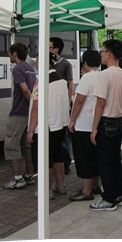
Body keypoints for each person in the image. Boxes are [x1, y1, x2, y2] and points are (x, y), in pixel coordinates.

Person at [89, 39, 122, 211]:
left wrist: (94, 128)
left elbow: (101, 103)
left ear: (110, 54)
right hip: (119, 120)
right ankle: (117, 194)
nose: (101, 54)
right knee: (115, 160)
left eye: (103, 51)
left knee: (104, 162)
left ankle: (108, 198)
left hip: (106, 122)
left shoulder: (105, 75)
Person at [27, 52, 70, 200]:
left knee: (45, 158)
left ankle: (47, 190)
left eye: (37, 60)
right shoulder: (61, 80)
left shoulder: (41, 82)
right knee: (57, 155)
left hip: (46, 126)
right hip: (61, 124)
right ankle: (60, 185)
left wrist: (30, 130)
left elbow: (36, 108)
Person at [68, 50, 103, 201]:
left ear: (85, 63)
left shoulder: (87, 78)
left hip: (84, 124)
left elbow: (79, 100)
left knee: (84, 157)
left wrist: (72, 119)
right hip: (98, 123)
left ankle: (86, 191)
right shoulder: (103, 76)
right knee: (96, 157)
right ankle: (95, 185)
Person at [3, 43, 37, 190]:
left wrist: (31, 105)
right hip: (28, 114)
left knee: (11, 145)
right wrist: (32, 109)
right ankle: (29, 175)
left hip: (18, 112)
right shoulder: (30, 69)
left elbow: (24, 90)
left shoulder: (17, 69)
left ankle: (17, 178)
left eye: (10, 53)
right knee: (27, 146)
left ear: (15, 54)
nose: (9, 56)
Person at [50, 37, 73, 174]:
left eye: (49, 47)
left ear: (56, 49)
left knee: (63, 134)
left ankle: (66, 163)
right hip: (52, 104)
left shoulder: (65, 64)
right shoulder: (49, 63)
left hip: (62, 103)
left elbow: (70, 83)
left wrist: (68, 102)